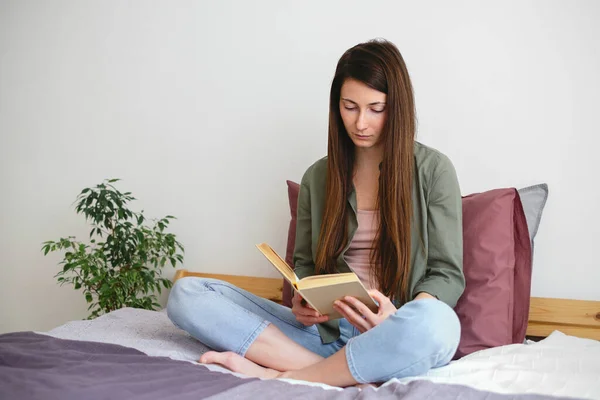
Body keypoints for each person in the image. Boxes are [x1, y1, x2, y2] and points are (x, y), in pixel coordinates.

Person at [167, 38, 465, 387]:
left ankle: (286, 373)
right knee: (187, 295)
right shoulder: (318, 178)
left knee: (439, 324)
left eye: (376, 108)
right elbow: (306, 266)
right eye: (350, 107)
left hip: (393, 332)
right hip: (325, 334)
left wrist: (396, 319)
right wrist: (303, 302)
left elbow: (447, 273)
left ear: (396, 107)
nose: (361, 123)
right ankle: (332, 371)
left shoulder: (433, 170)